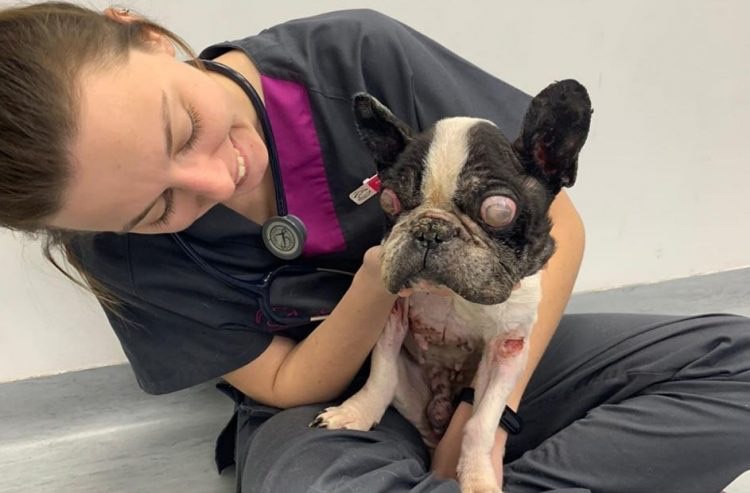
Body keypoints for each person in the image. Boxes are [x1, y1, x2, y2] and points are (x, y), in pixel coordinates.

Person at [1, 3, 748, 493]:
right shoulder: (117, 257)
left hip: (495, 347)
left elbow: (558, 227)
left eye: (182, 128)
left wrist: (485, 422)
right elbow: (289, 382)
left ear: (149, 36)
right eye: (159, 207)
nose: (215, 175)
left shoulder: (355, 55)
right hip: (340, 401)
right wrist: (382, 275)